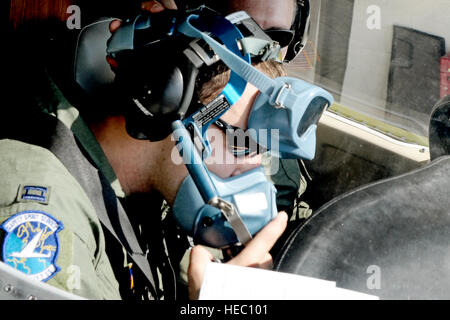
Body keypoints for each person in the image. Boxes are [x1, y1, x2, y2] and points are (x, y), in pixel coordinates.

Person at [0, 0, 301, 300]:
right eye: (242, 141)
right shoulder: (43, 213)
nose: (254, 164)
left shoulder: (158, 196)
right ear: (170, 102)